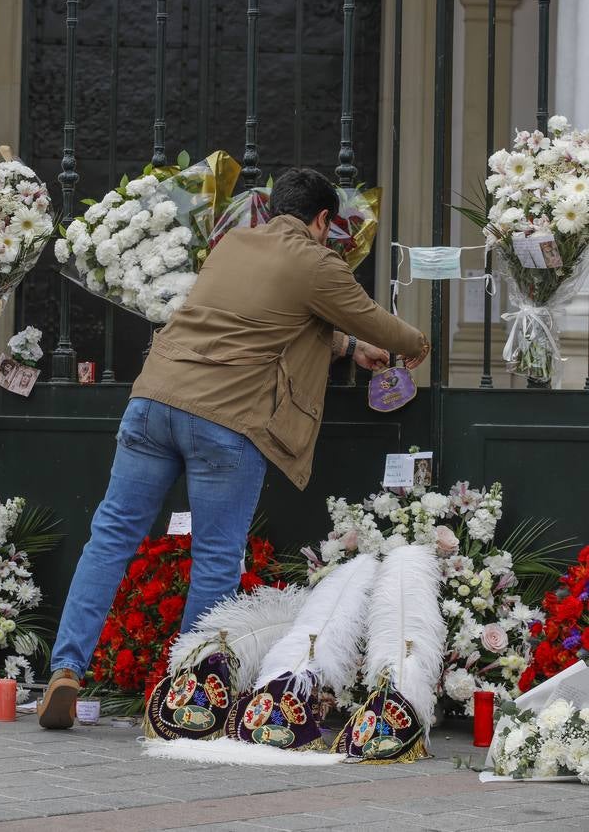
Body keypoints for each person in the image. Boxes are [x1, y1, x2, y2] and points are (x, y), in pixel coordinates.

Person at [38, 167, 429, 729]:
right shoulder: (318, 261)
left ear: (270, 210)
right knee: (216, 556)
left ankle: (66, 669)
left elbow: (264, 317)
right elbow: (371, 320)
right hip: (225, 419)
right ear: (323, 221)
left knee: (110, 537)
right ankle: (189, 695)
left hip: (153, 399)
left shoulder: (231, 244)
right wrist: (416, 344)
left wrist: (344, 347)